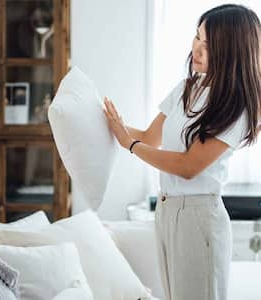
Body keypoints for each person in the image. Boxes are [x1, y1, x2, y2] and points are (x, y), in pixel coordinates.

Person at [103, 4, 261, 300]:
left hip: (199, 216)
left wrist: (131, 145)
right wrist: (107, 123)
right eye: (197, 37)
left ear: (231, 50)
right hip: (166, 210)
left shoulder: (236, 105)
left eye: (208, 44)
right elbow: (151, 136)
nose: (197, 49)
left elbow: (188, 166)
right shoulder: (187, 88)